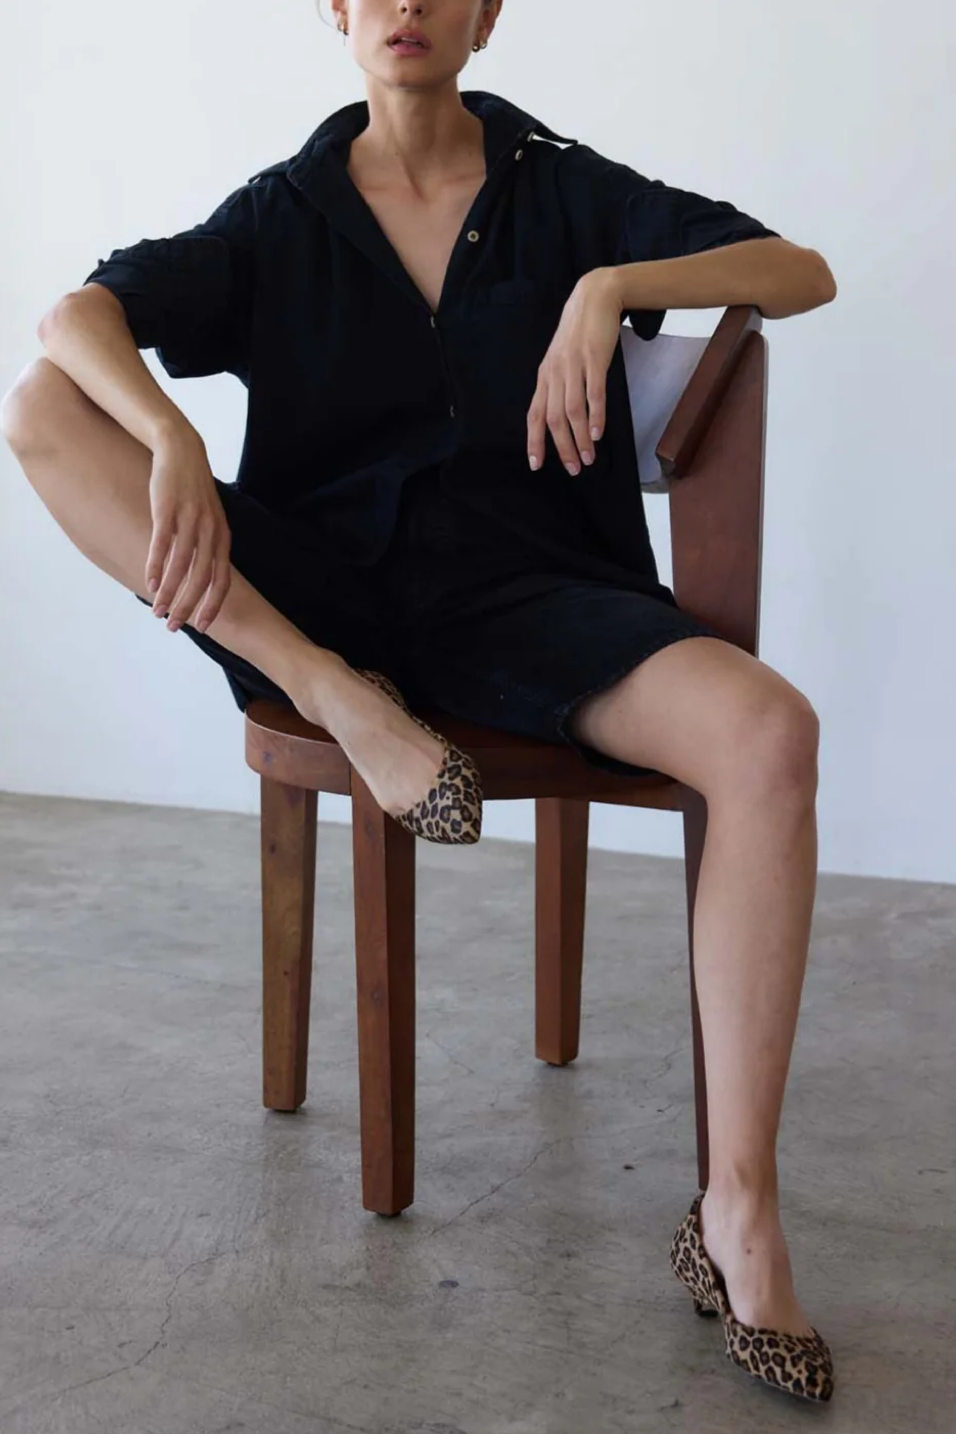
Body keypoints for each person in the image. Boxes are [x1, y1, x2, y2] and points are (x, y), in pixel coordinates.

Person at [1, 0, 838, 1401]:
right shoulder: (281, 216)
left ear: (486, 12)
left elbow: (800, 269)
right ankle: (341, 700)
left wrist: (611, 288)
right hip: (323, 611)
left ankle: (736, 1205)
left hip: (532, 600)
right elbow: (73, 318)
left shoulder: (561, 188)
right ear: (335, 9)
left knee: (771, 732)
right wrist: (166, 429)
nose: (405, 3)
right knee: (40, 406)